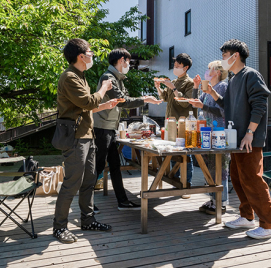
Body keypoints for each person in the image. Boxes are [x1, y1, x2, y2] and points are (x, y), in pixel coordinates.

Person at [204, 39, 271, 239]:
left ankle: (268, 225)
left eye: (225, 55)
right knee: (237, 178)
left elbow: (260, 104)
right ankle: (246, 217)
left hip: (249, 139)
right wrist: (212, 93)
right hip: (235, 138)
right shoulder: (234, 79)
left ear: (235, 55)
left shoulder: (251, 75)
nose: (223, 59)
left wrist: (250, 132)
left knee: (253, 179)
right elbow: (227, 105)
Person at [53, 38, 119, 244]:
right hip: (75, 138)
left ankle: (88, 220)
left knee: (90, 180)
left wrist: (105, 105)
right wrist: (104, 88)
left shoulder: (81, 76)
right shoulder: (69, 77)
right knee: (72, 182)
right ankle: (59, 227)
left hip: (87, 136)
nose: (92, 55)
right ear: (81, 56)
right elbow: (88, 101)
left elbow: (86, 107)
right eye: (90, 52)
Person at [93, 48, 162, 212]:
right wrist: (145, 99)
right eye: (129, 62)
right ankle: (86, 204)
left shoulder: (117, 78)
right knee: (97, 166)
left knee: (115, 165)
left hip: (109, 127)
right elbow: (122, 101)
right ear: (122, 60)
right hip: (102, 127)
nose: (129, 65)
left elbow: (125, 98)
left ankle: (122, 201)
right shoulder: (108, 78)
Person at [189, 60, 229, 214]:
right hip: (207, 132)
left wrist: (203, 106)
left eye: (209, 69)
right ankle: (213, 199)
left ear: (217, 72)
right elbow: (195, 104)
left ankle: (222, 202)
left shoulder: (223, 87)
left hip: (219, 131)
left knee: (220, 167)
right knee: (209, 167)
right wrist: (195, 86)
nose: (206, 71)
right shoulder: (207, 90)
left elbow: (223, 111)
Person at [154, 53, 194, 198]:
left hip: (184, 124)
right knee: (173, 154)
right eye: (175, 65)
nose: (175, 68)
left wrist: (173, 88)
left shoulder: (189, 82)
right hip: (170, 123)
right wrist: (158, 87)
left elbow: (187, 101)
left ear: (186, 67)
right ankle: (176, 183)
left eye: (178, 66)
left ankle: (186, 185)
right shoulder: (175, 81)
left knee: (185, 155)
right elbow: (164, 98)